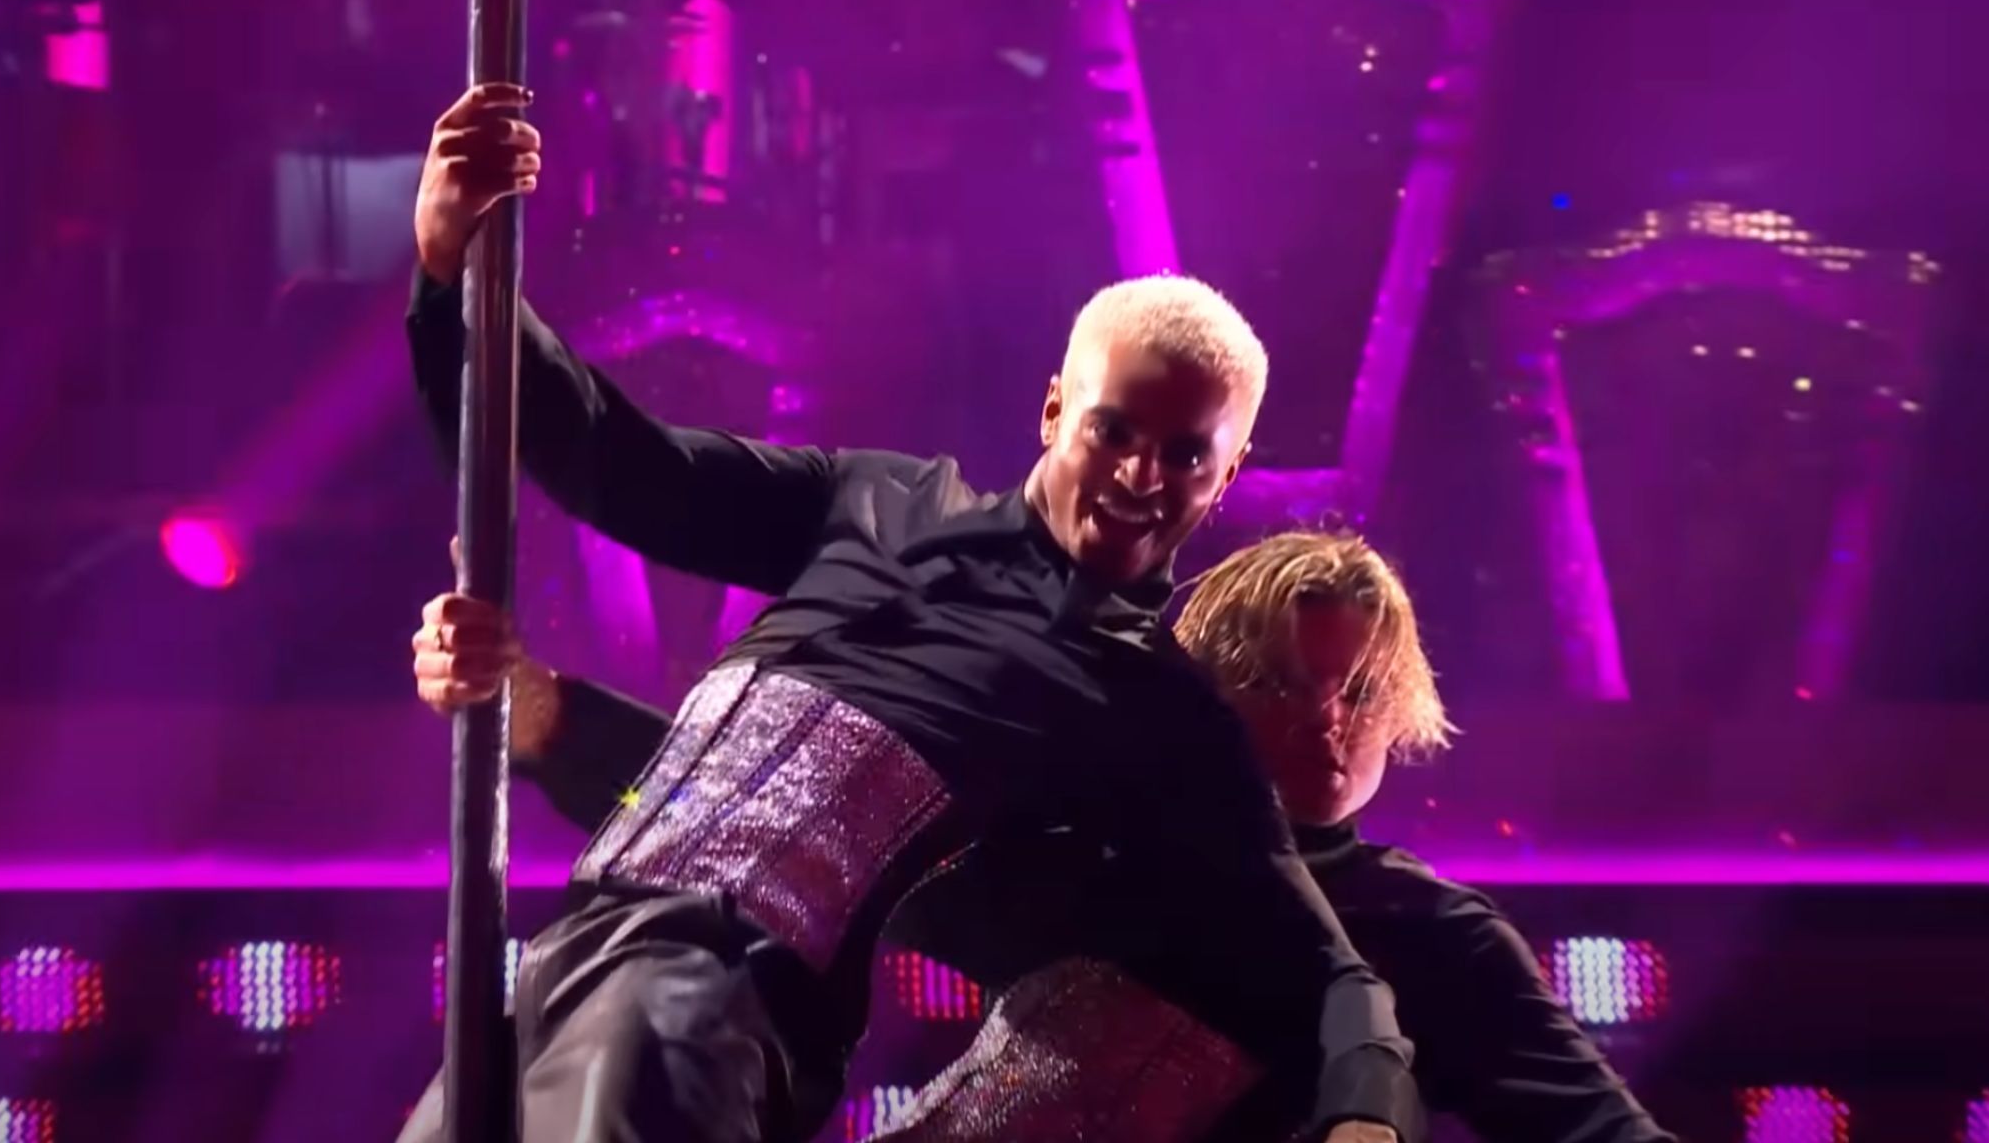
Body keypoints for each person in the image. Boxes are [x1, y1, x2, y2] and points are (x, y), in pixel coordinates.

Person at [402, 81, 1413, 1142]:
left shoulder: (1156, 706)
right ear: (1055, 408)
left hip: (716, 1003)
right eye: (1113, 431)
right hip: (571, 954)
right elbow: (616, 462)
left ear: (1229, 470)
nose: (1139, 476)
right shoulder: (878, 500)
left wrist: (1366, 1120)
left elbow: (1323, 969)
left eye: (1183, 455)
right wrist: (450, 270)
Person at [423, 531, 1675, 1142]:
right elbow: (768, 823)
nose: (1330, 724)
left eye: (1357, 692)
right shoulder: (1095, 864)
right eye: (1291, 684)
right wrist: (538, 712)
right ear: (1208, 696)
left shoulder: (1432, 938)